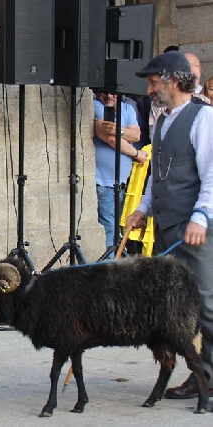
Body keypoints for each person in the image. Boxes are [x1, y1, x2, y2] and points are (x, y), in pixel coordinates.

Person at [126, 50, 213, 401]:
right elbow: (155, 175)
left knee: (206, 303)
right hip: (165, 226)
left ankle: (209, 377)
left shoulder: (204, 118)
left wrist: (201, 216)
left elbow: (211, 173)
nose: (149, 89)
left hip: (194, 230)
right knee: (174, 307)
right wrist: (143, 208)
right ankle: (192, 373)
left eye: (153, 81)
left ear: (174, 80)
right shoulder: (161, 119)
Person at [93, 91, 144, 252]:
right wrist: (137, 154)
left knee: (118, 228)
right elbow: (110, 138)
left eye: (113, 93)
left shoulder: (127, 108)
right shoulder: (96, 106)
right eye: (104, 93)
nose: (108, 97)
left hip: (121, 182)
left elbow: (136, 135)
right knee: (109, 227)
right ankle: (110, 267)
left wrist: (117, 129)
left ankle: (116, 261)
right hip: (104, 181)